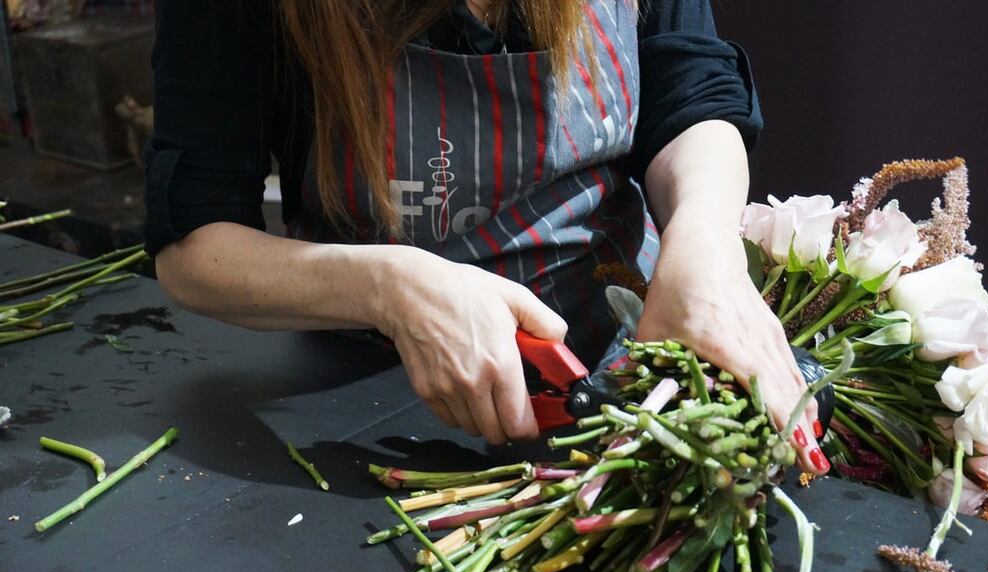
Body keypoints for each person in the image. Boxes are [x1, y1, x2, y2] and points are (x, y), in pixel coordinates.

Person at [144, 0, 829, 474]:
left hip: (634, 353)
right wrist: (392, 288)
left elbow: (692, 89)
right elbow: (193, 247)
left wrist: (703, 250)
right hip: (377, 409)